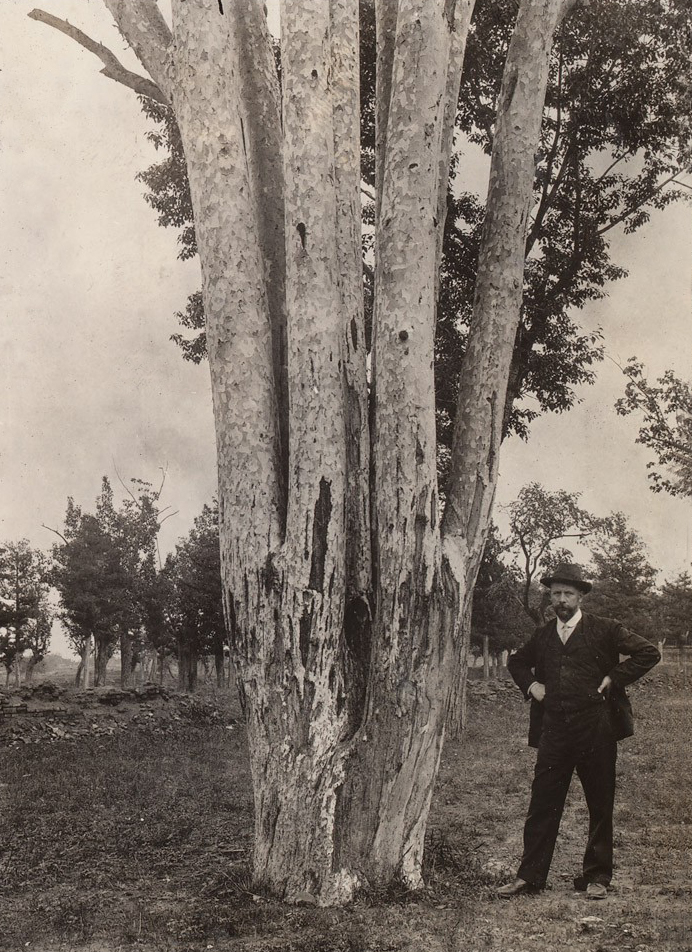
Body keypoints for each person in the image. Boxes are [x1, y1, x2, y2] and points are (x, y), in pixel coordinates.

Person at [497, 563, 660, 901]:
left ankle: (597, 876)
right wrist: (532, 686)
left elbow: (648, 652)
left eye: (568, 594)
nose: (561, 600)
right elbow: (516, 662)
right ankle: (529, 877)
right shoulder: (543, 635)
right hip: (554, 730)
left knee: (600, 803)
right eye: (555, 593)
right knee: (543, 803)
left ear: (581, 596)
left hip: (595, 729)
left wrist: (614, 677)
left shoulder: (605, 629)